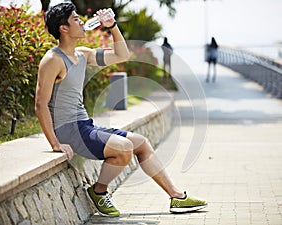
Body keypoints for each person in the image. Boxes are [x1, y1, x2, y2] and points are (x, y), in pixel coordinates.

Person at [35, 2, 207, 217]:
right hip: (68, 130)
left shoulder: (82, 55)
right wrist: (55, 143)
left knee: (141, 144)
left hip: (84, 125)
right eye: (76, 19)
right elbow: (40, 104)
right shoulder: (52, 60)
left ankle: (176, 197)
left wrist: (112, 26)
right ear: (64, 28)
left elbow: (121, 55)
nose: (81, 22)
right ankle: (99, 191)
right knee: (124, 147)